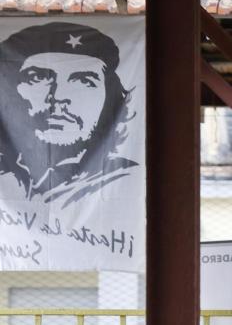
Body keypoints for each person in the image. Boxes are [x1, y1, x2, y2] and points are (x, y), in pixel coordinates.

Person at [0, 22, 138, 206]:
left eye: (83, 81)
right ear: (8, 91)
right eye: (38, 78)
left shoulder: (130, 179)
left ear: (109, 98)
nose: (58, 97)